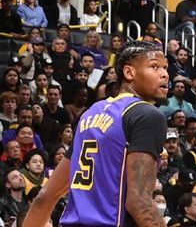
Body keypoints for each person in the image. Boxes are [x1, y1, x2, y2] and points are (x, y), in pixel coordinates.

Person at [23, 41, 169, 227]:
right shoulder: (146, 114)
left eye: (165, 68)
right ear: (129, 72)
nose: (164, 74)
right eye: (154, 67)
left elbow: (45, 196)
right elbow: (139, 203)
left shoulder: (91, 113)